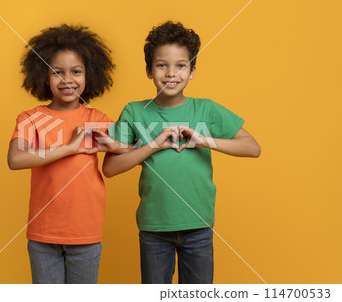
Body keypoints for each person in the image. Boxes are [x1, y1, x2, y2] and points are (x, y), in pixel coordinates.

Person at [103, 21, 261, 284]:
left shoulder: (206, 110)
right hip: (154, 227)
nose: (171, 73)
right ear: (148, 70)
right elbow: (110, 168)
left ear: (193, 71)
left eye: (181, 66)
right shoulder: (134, 111)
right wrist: (153, 144)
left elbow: (252, 148)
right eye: (161, 65)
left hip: (198, 225)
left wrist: (203, 140)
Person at [7, 24, 120, 284]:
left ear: (89, 75)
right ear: (44, 77)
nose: (67, 79)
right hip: (43, 235)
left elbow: (129, 147)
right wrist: (70, 148)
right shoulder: (31, 119)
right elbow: (15, 159)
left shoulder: (97, 119)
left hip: (85, 234)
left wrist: (114, 145)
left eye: (76, 71)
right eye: (57, 72)